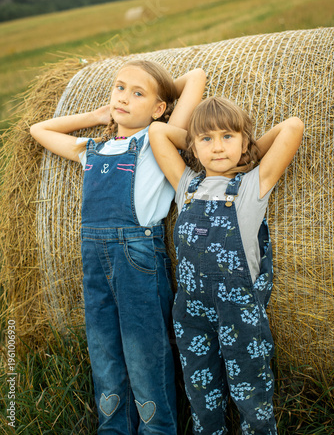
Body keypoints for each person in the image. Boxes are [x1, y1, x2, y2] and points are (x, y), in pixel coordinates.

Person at [30, 59, 207, 434]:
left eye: (137, 93)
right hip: (95, 264)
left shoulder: (157, 139)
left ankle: (157, 428)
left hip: (137, 258)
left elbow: (196, 78)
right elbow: (39, 129)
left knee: (145, 353)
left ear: (159, 109)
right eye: (119, 87)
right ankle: (112, 428)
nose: (124, 97)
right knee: (105, 354)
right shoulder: (92, 149)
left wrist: (158, 91)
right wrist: (97, 113)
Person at [149, 96, 304, 434]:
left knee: (252, 392)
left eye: (227, 137)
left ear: (244, 142)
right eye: (207, 139)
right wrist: (193, 141)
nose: (217, 147)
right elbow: (158, 132)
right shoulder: (186, 184)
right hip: (191, 311)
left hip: (240, 310)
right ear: (193, 146)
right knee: (200, 393)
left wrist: (248, 153)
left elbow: (293, 126)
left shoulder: (253, 184)